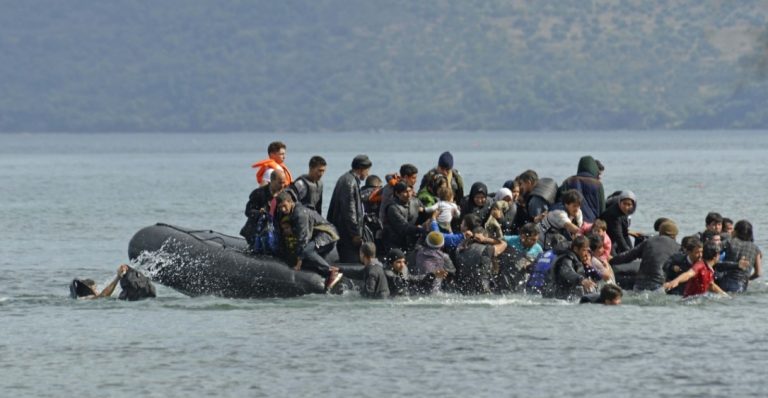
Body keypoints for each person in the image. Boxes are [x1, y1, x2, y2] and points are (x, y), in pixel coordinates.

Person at [276, 192, 343, 291]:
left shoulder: (299, 214)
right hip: (319, 236)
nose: (283, 210)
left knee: (307, 251)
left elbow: (303, 238)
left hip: (328, 235)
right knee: (307, 257)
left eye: (285, 206)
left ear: (290, 202)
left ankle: (331, 271)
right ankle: (326, 273)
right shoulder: (292, 212)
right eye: (280, 207)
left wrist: (299, 261)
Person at [610, 220, 680, 291]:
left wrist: (610, 261)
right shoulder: (678, 247)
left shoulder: (649, 242)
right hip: (660, 284)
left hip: (640, 283)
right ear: (674, 235)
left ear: (660, 232)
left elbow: (628, 256)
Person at [327, 154, 372, 263]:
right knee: (351, 261)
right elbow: (349, 211)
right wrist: (355, 234)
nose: (368, 174)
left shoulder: (348, 179)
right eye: (367, 170)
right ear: (361, 169)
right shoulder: (349, 182)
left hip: (345, 231)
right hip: (346, 233)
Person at [239, 169, 285, 252]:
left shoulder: (284, 196)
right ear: (272, 180)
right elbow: (248, 211)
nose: (282, 186)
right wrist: (259, 213)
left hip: (274, 231)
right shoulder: (259, 194)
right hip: (255, 230)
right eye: (280, 183)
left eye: (284, 183)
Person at [542, 235, 598, 300]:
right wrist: (582, 280)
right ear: (576, 249)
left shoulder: (575, 259)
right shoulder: (566, 258)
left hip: (563, 296)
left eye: (587, 251)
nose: (586, 254)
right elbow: (566, 272)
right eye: (584, 250)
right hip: (556, 297)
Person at [663, 243, 729, 298]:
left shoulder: (709, 269)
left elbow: (711, 285)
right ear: (716, 256)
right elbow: (689, 274)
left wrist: (725, 296)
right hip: (689, 301)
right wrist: (676, 281)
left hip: (698, 299)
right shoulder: (700, 265)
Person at [455, 226, 507, 294]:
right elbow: (504, 244)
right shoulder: (488, 249)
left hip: (463, 289)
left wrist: (470, 237)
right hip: (483, 289)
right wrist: (485, 239)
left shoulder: (460, 249)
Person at [717, 220, 762, 293]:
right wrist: (748, 279)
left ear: (735, 232)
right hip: (741, 284)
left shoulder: (729, 241)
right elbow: (758, 273)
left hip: (723, 281)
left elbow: (713, 251)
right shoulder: (755, 248)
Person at [497, 223, 544, 292]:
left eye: (536, 240)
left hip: (523, 282)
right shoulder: (510, 240)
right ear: (523, 237)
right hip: (505, 278)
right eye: (533, 240)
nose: (535, 243)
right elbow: (496, 241)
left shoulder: (538, 249)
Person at [70, 264, 156, 301]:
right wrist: (118, 277)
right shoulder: (86, 298)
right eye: (95, 289)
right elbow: (103, 295)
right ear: (89, 288)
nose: (96, 291)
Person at [559, 155, 605, 223]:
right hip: (591, 224)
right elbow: (602, 209)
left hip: (570, 221)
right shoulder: (597, 184)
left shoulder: (568, 181)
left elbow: (560, 201)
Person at [384, 248, 449, 296]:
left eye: (403, 262)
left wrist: (433, 275)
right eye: (398, 262)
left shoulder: (402, 271)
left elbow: (415, 279)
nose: (402, 265)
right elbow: (399, 280)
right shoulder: (387, 274)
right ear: (391, 264)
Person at [381, 182, 425, 253]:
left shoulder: (416, 201)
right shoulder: (392, 208)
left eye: (410, 191)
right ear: (397, 193)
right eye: (405, 192)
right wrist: (419, 229)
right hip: (394, 242)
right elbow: (403, 227)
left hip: (412, 239)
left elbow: (425, 213)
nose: (408, 194)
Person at [599, 190, 637, 255]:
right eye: (624, 204)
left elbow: (625, 233)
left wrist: (631, 250)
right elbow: (619, 235)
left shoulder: (624, 212)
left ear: (633, 205)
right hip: (606, 240)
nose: (626, 207)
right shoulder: (615, 215)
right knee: (614, 261)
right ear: (619, 203)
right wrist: (628, 252)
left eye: (629, 204)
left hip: (614, 239)